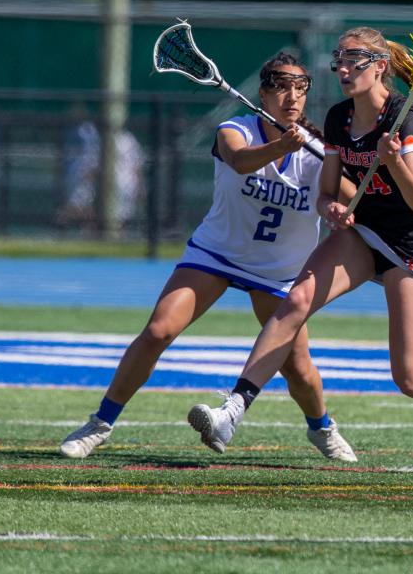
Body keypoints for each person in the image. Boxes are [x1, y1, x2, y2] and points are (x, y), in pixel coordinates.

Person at [187, 27, 413, 475]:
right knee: (295, 301)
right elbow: (325, 193)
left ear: (379, 66)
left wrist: (394, 159)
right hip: (365, 233)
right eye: (338, 60)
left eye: (353, 61)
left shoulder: (405, 119)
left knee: (412, 378)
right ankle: (233, 411)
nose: (342, 69)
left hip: (410, 243)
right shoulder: (340, 117)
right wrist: (334, 209)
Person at [60, 52, 357, 462]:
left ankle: (322, 427)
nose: (293, 97)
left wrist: (345, 201)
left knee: (298, 367)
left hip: (279, 271)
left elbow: (346, 198)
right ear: (264, 93)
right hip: (217, 254)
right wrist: (280, 146)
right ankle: (99, 424)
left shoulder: (319, 151)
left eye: (301, 88)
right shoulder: (234, 129)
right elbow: (238, 161)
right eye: (283, 87)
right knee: (159, 331)